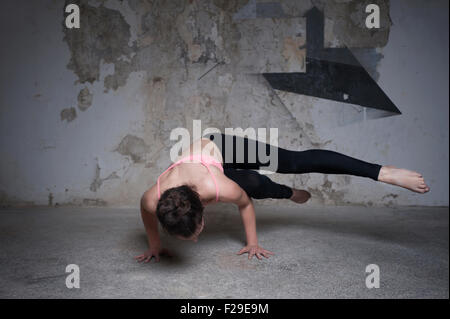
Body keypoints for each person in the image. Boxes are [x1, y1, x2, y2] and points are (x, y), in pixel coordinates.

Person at [135, 133, 430, 263]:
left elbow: (244, 204)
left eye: (195, 232)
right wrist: (155, 246)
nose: (197, 240)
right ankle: (290, 193)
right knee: (255, 184)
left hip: (219, 148)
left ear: (202, 210)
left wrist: (252, 242)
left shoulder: (217, 188)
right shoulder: (153, 199)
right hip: (210, 170)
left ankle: (381, 172)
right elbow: (146, 214)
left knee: (293, 163)